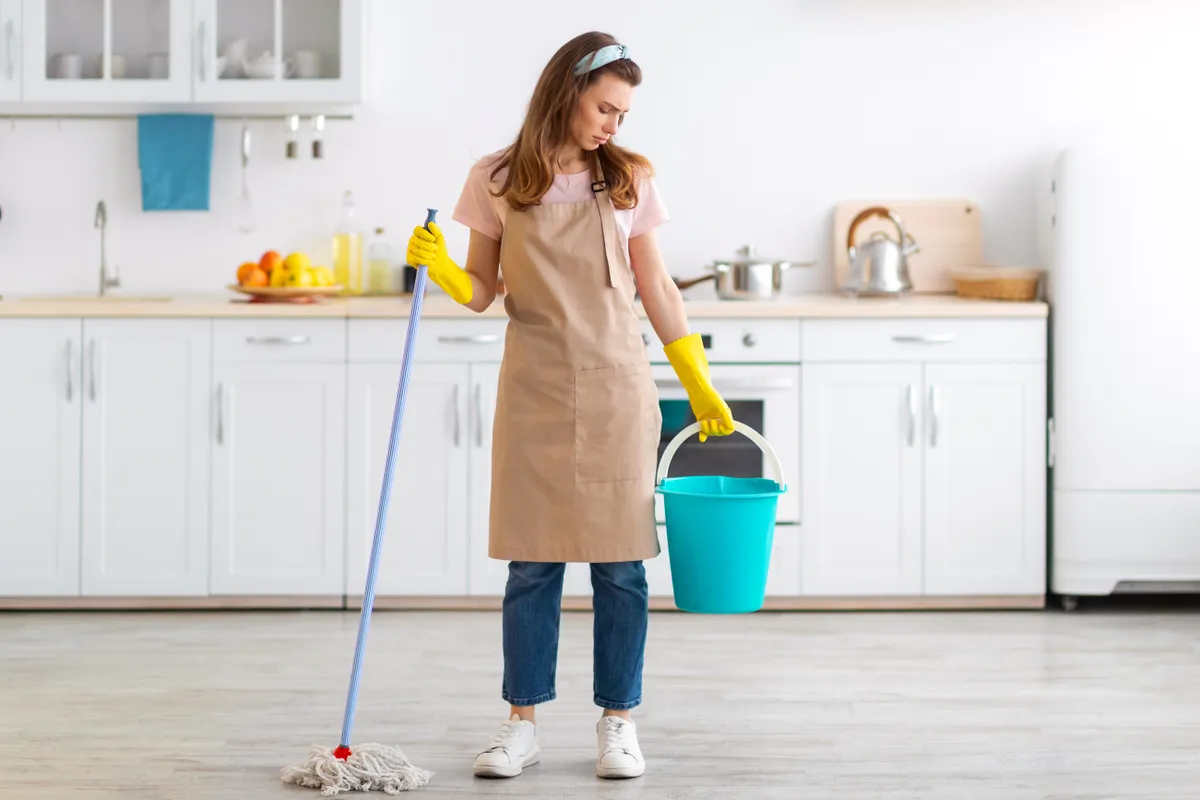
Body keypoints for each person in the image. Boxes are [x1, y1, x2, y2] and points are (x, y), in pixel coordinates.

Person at [405, 30, 735, 781]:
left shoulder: (627, 179)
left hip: (619, 384)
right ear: (566, 90)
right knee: (533, 564)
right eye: (604, 108)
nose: (613, 125)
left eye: (621, 114)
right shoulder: (494, 177)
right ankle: (520, 724)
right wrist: (441, 274)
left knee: (621, 566)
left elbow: (657, 288)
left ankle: (618, 723)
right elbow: (484, 291)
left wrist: (697, 379)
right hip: (537, 387)